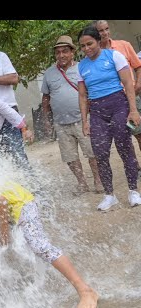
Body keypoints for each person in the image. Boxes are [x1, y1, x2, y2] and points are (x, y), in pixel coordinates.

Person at [77, 26, 141, 211]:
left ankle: (133, 191)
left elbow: (129, 84)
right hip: (97, 111)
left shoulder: (113, 56)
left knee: (124, 148)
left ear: (98, 41)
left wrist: (133, 110)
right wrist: (85, 121)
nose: (87, 48)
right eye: (83, 46)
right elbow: (82, 96)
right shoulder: (82, 66)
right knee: (100, 153)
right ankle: (109, 195)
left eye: (90, 44)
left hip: (119, 105)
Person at [41, 36, 103, 194]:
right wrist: (47, 121)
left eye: (65, 51)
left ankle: (98, 180)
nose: (61, 55)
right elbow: (46, 98)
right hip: (61, 123)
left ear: (73, 52)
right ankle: (82, 183)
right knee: (70, 157)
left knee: (92, 153)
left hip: (83, 120)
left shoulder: (82, 68)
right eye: (58, 52)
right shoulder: (49, 73)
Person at [95, 20, 141, 175]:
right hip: (114, 102)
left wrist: (138, 84)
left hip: (132, 96)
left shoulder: (124, 45)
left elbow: (138, 66)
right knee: (125, 138)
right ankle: (135, 168)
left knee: (139, 133)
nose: (105, 33)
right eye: (101, 30)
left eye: (106, 29)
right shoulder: (95, 53)